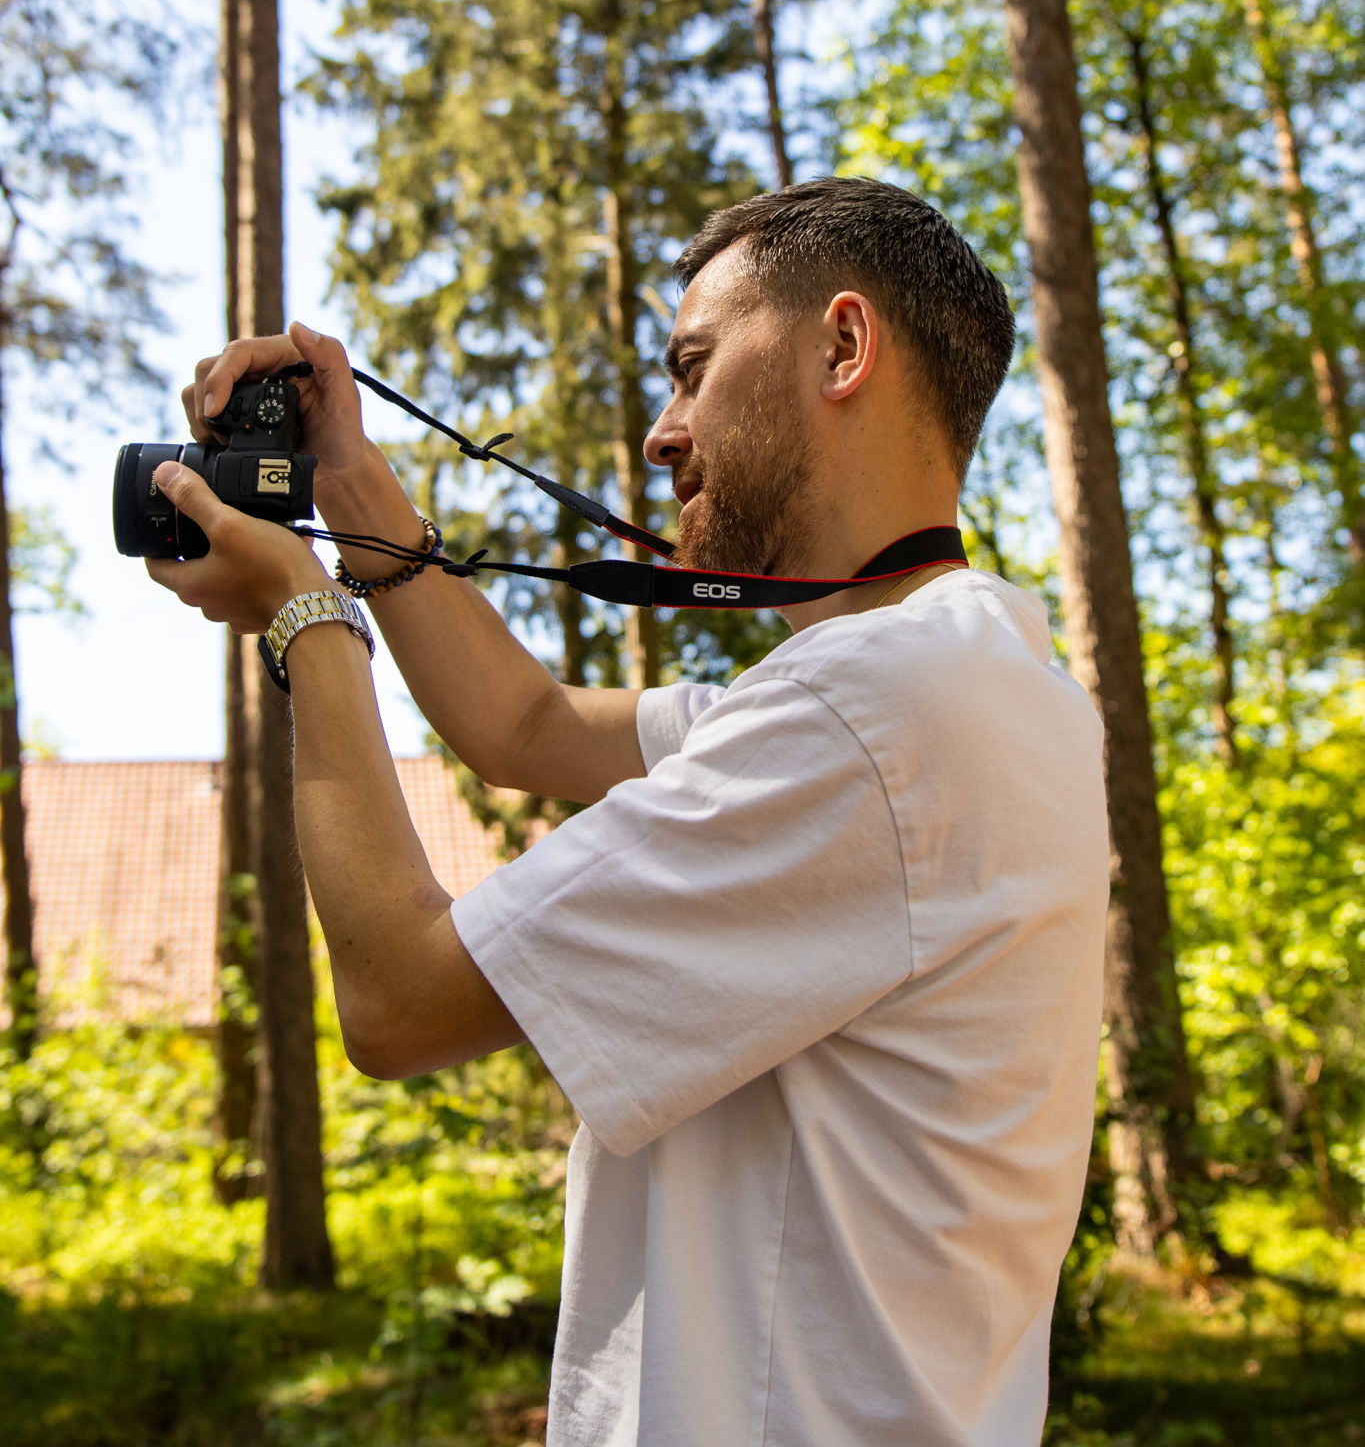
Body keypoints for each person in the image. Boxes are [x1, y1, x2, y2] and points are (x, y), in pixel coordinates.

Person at [148, 175, 1109, 1447]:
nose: (664, 431)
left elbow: (397, 999)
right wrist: (349, 483)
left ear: (842, 344)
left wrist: (304, 618)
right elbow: (524, 726)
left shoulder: (873, 715)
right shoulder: (973, 677)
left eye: (695, 366)